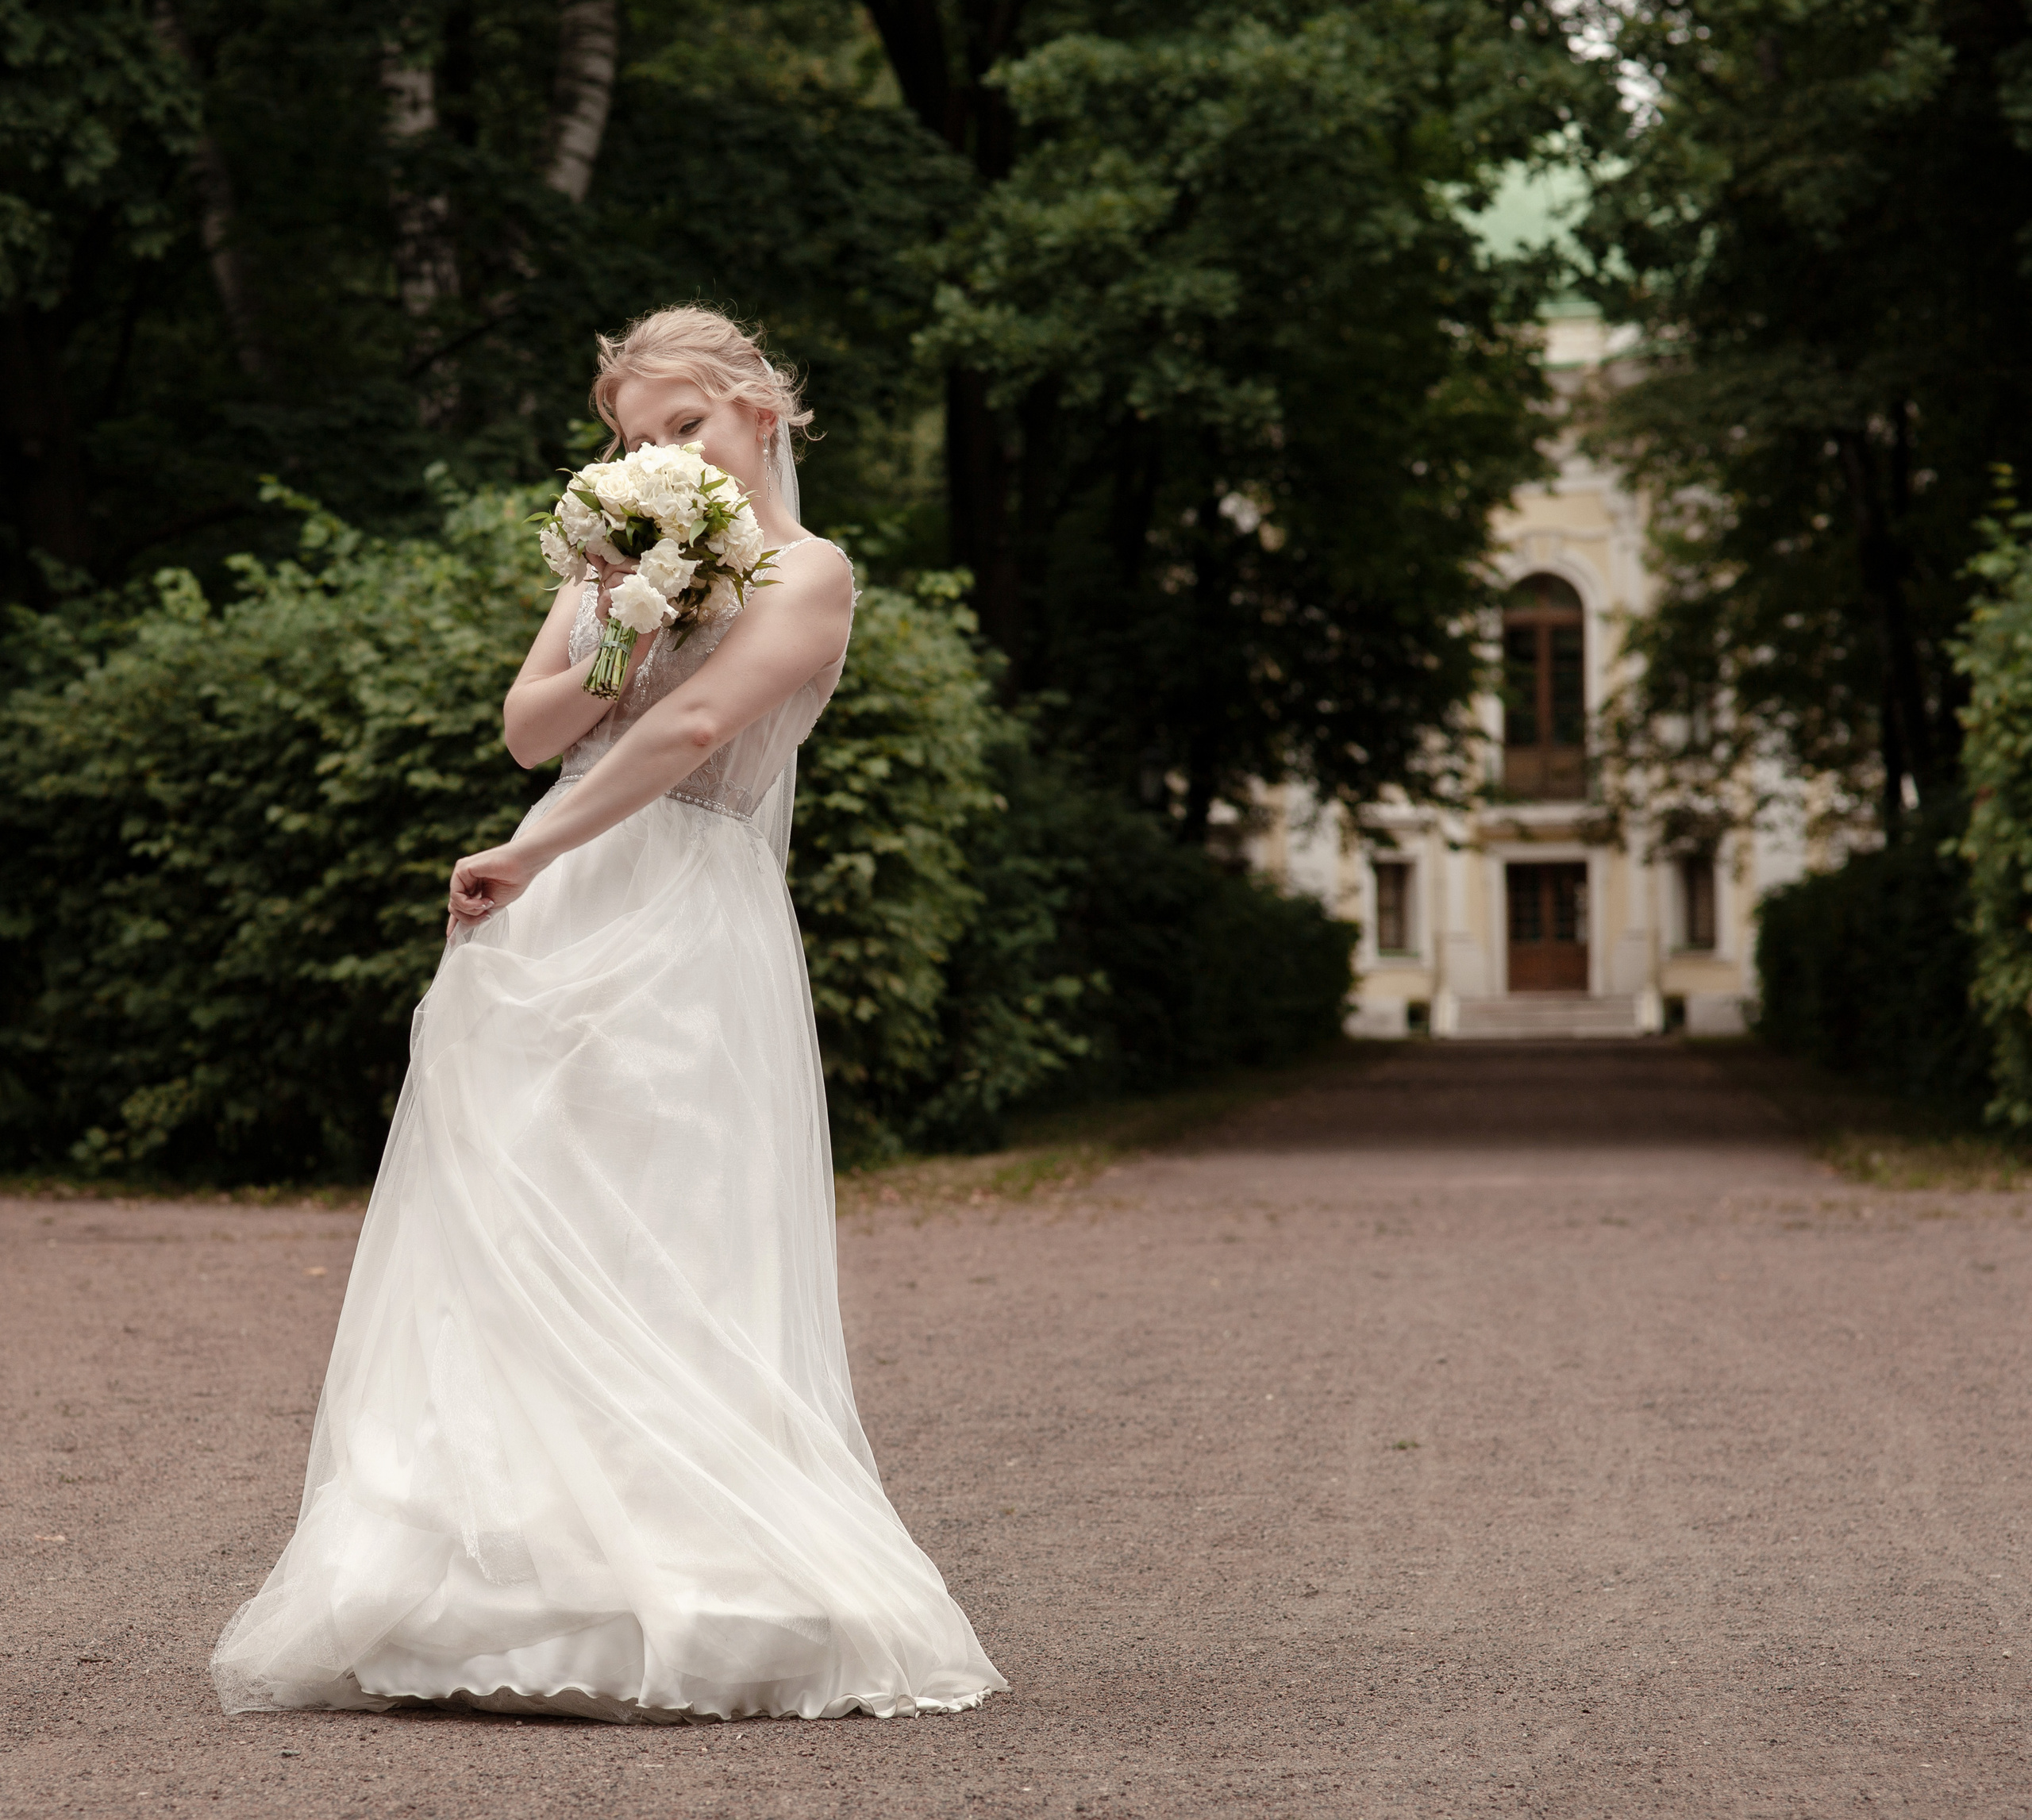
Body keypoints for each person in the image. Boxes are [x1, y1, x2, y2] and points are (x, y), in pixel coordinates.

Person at [211, 306, 1006, 1723]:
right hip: (558, 903)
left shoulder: (812, 571)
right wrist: (619, 631)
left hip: (684, 912)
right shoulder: (616, 557)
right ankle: (485, 1588)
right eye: (637, 440)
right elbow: (529, 730)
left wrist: (532, 847)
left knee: (664, 1225)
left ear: (762, 412)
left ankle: (695, 1583)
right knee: (517, 1220)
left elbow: (699, 734)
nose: (661, 459)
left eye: (685, 427)